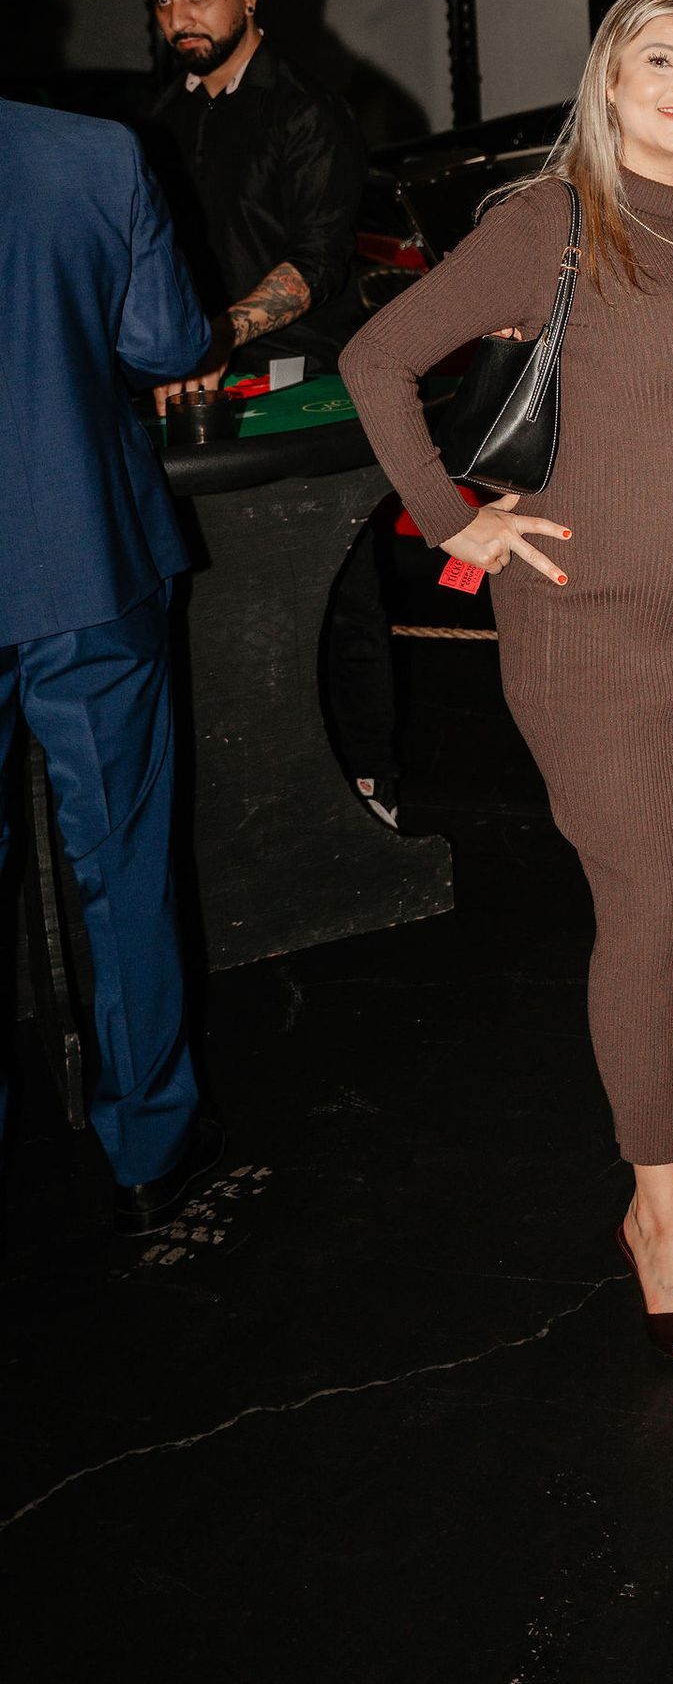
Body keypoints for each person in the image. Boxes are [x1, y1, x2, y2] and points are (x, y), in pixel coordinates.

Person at [341, 0, 673, 1373]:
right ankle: (657, 1201)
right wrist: (448, 514)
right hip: (594, 633)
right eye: (658, 57)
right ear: (607, 79)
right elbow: (377, 356)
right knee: (646, 907)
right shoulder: (549, 220)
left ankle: (662, 1124)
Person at [0, 97, 226, 1233]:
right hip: (81, 558)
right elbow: (167, 346)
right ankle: (149, 1145)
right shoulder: (88, 152)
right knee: (124, 861)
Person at [143, 0, 367, 397]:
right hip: (188, 372)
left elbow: (320, 259)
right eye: (162, 2)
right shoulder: (158, 119)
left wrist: (218, 338)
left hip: (300, 371)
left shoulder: (306, 109)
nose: (178, 20)